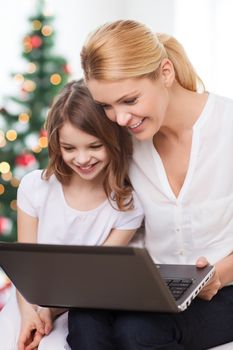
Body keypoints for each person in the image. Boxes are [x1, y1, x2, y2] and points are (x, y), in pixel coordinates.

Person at [66, 20, 233, 350]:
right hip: (148, 289)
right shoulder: (125, 143)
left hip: (224, 290)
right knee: (84, 318)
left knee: (137, 331)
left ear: (165, 73)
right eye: (106, 106)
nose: (120, 118)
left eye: (129, 100)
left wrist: (220, 274)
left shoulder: (227, 127)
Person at [0, 79, 144, 350]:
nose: (82, 158)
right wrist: (31, 311)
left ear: (113, 141)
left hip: (76, 309)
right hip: (26, 303)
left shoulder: (127, 206)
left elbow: (92, 282)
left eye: (94, 146)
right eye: (69, 148)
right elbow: (24, 268)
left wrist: (49, 312)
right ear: (56, 144)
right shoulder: (35, 188)